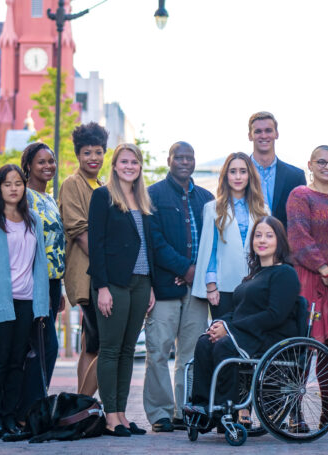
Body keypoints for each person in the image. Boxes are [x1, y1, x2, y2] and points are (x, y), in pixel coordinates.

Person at [187, 216, 301, 418]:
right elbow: (241, 311)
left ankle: (227, 408)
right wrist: (220, 323)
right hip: (250, 333)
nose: (262, 240)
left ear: (279, 241)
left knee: (225, 345)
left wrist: (230, 329)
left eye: (268, 235)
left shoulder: (285, 273)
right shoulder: (253, 275)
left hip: (272, 336)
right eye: (258, 236)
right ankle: (203, 405)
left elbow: (274, 315)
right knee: (205, 342)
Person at [0, 164, 50, 439]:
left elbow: (40, 265)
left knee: (18, 362)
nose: (14, 188)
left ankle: (10, 417)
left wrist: (41, 305)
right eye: (7, 183)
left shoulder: (33, 221)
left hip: (26, 301)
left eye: (18, 183)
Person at [144, 141, 214, 432]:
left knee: (191, 353)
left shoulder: (207, 199)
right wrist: (185, 269)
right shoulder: (153, 195)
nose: (185, 161)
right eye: (179, 157)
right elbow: (154, 242)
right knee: (158, 350)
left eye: (189, 157)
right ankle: (160, 413)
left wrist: (195, 274)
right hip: (165, 286)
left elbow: (212, 242)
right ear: (169, 160)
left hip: (197, 291)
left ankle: (183, 410)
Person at [88, 143, 157, 437]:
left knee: (129, 351)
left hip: (141, 283)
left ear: (140, 167)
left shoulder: (144, 198)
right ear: (114, 166)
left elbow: (148, 245)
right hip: (113, 283)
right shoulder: (103, 196)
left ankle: (122, 415)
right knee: (111, 349)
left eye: (134, 162)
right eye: (124, 161)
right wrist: (101, 288)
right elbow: (96, 245)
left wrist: (151, 285)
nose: (129, 166)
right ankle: (110, 415)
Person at [286, 145, 328, 430]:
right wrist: (323, 268)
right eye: (321, 162)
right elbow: (297, 236)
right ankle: (294, 411)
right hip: (310, 278)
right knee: (303, 346)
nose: (327, 166)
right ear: (310, 164)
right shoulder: (300, 195)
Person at [17, 142, 67, 419]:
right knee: (42, 346)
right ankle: (28, 409)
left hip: (52, 281)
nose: (48, 165)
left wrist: (58, 288)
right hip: (32, 281)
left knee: (44, 347)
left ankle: (34, 406)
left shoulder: (49, 199)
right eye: (41, 162)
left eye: (51, 160)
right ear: (28, 166)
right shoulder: (24, 196)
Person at [59, 122, 108, 396]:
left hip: (100, 275)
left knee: (92, 343)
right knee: (103, 344)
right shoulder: (71, 184)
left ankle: (82, 403)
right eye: (88, 152)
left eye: (98, 152)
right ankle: (83, 403)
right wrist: (108, 265)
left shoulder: (103, 185)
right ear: (78, 154)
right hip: (87, 276)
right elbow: (79, 232)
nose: (93, 158)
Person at [193, 153, 270, 319]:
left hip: (254, 287)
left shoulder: (262, 210)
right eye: (233, 171)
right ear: (226, 175)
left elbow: (267, 251)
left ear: (250, 175)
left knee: (249, 337)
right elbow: (210, 250)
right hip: (223, 287)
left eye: (243, 171)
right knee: (222, 339)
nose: (238, 176)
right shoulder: (213, 208)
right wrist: (211, 285)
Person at [247, 111, 306, 227]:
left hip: (282, 243)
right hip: (243, 243)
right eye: (258, 131)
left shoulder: (296, 177)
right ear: (250, 136)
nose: (264, 135)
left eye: (268, 130)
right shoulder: (236, 174)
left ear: (276, 134)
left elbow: (300, 221)